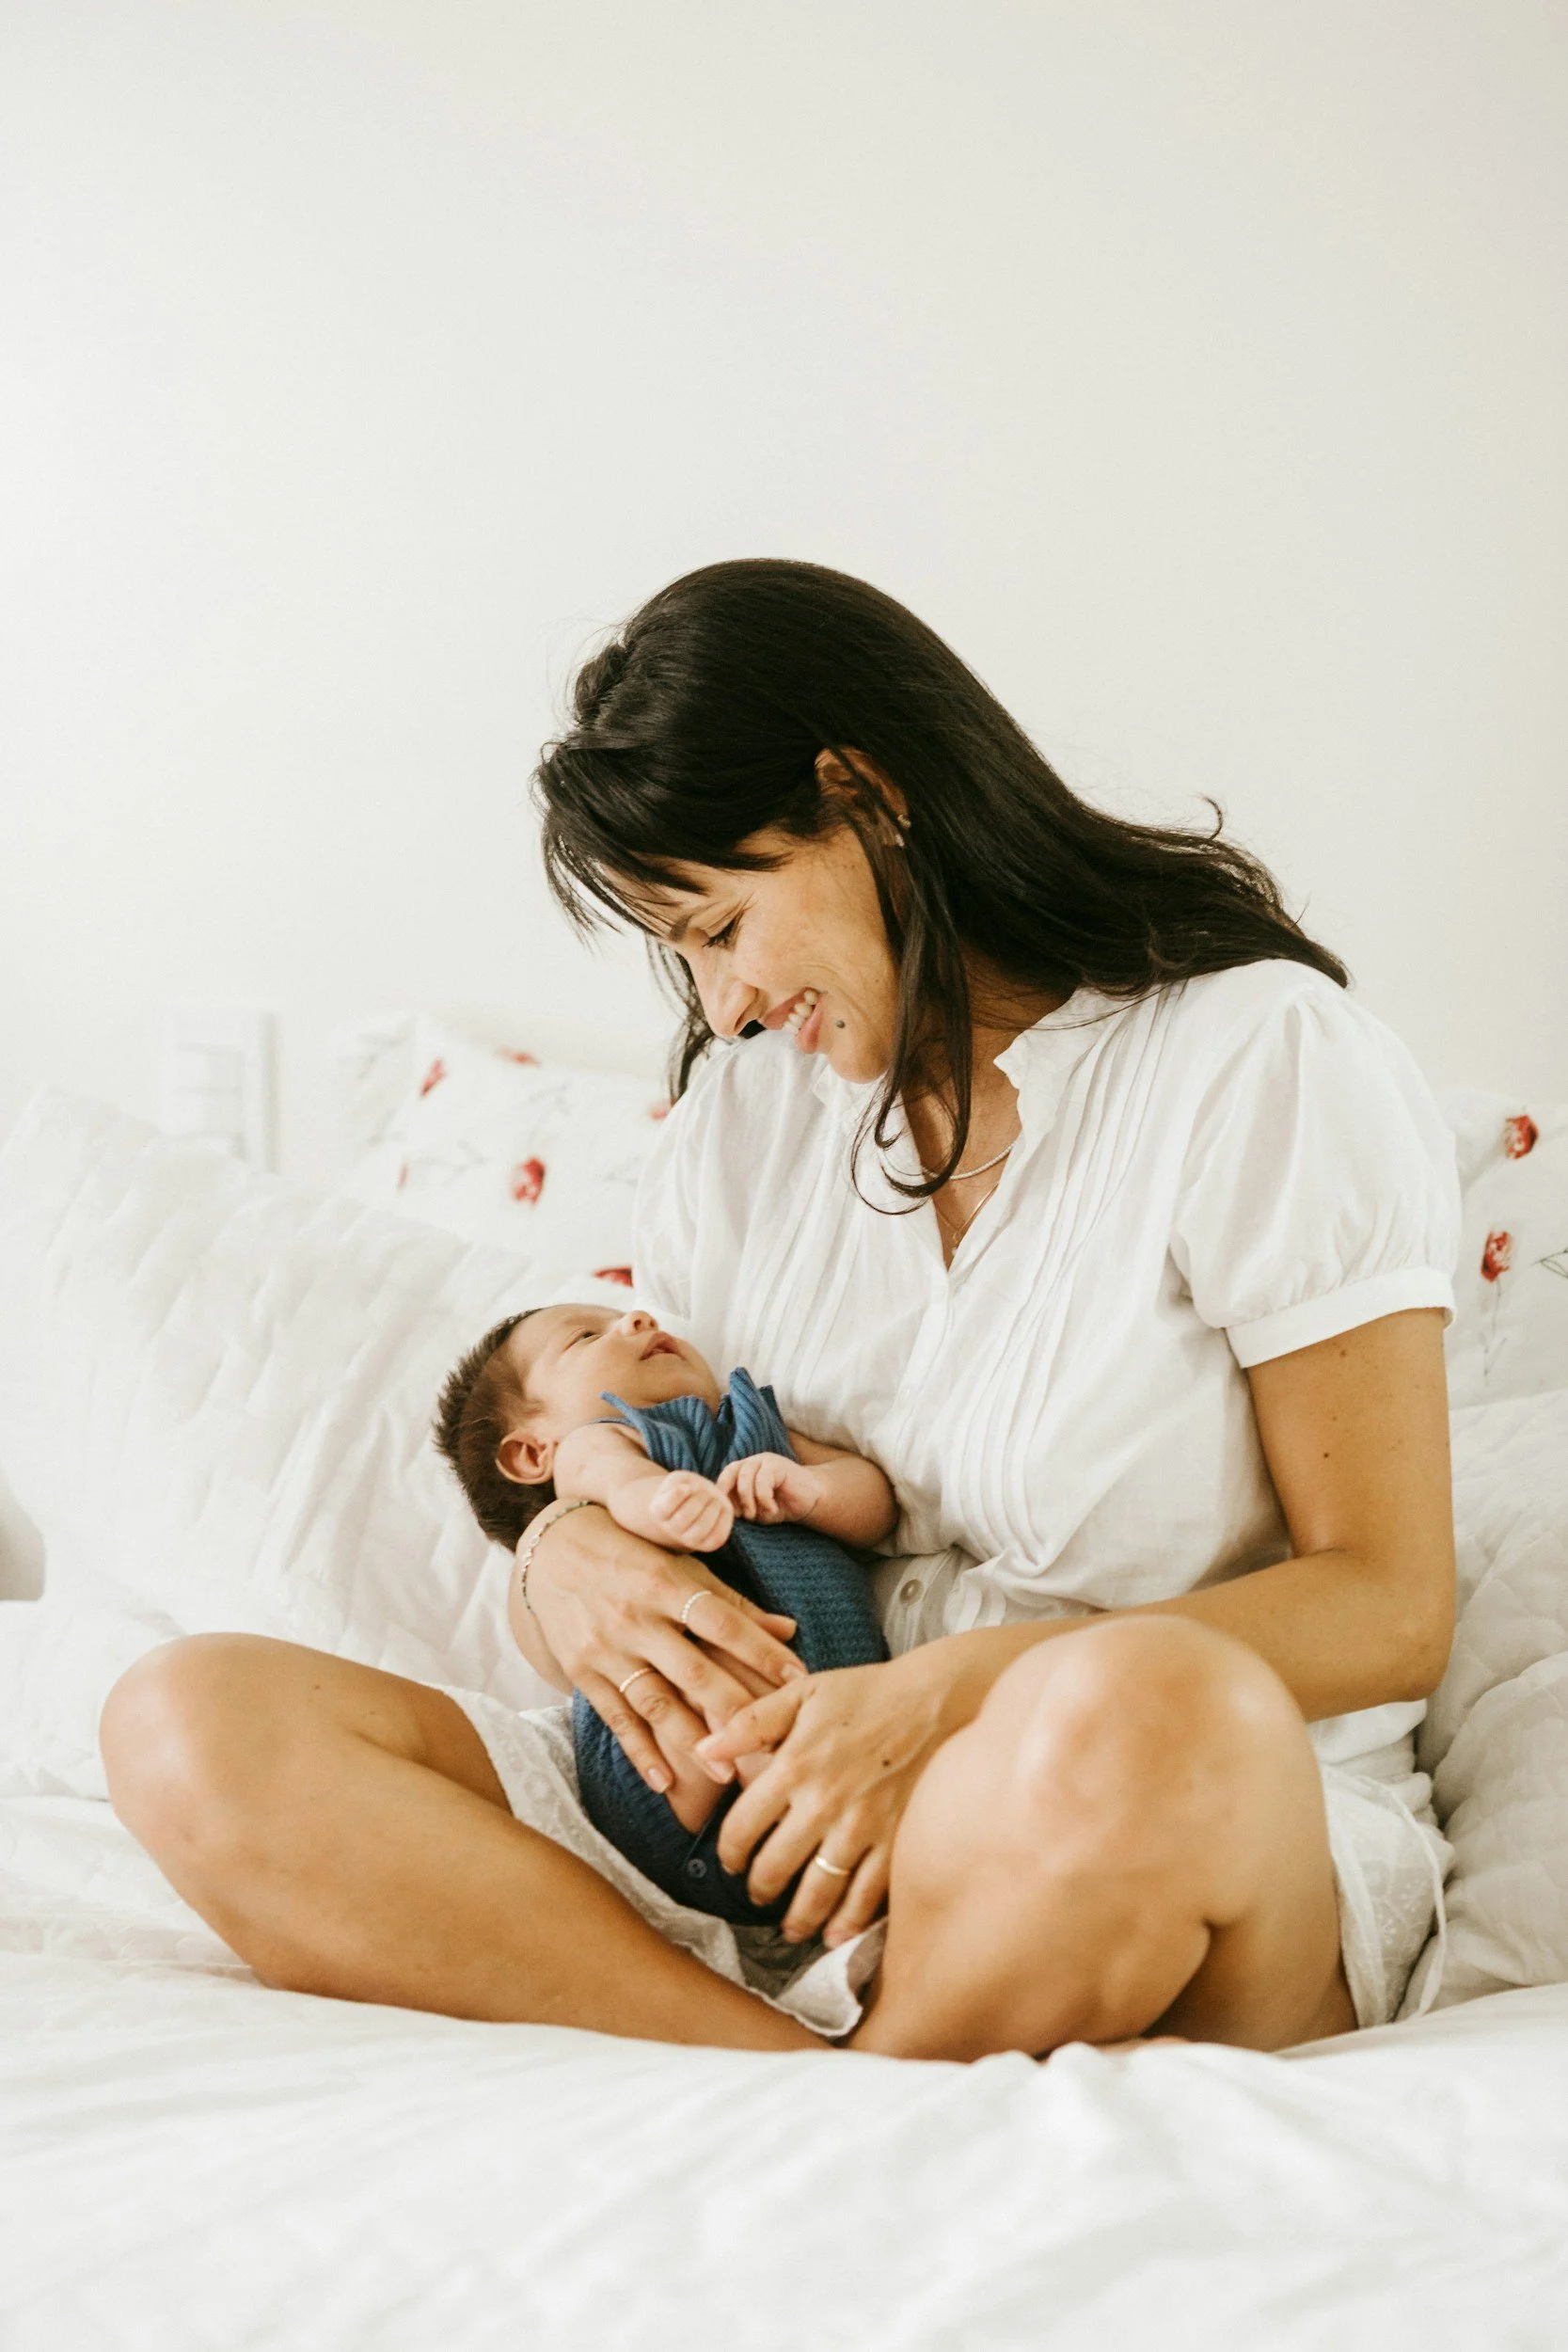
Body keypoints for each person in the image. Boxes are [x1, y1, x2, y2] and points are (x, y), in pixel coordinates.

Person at [100, 558, 1461, 2060]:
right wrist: (563, 1556)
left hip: (1140, 1825)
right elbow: (656, 1468)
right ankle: (787, 2086)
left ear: (860, 793)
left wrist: (943, 1703)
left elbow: (1386, 1605)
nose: (726, 1008)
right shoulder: (748, 1120)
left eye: (720, 926)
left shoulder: (1256, 1058)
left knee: (1149, 1703)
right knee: (186, 1719)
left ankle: (843, 2098)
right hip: (780, 1848)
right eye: (679, 956)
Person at [431, 1301, 893, 1923]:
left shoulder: (753, 1424)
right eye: (587, 1336)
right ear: (531, 1453)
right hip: (673, 1789)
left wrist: (812, 1492)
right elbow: (618, 1481)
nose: (636, 1318)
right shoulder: (597, 1446)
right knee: (703, 1664)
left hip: (846, 1738)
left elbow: (874, 1503)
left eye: (624, 1314)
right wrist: (661, 1501)